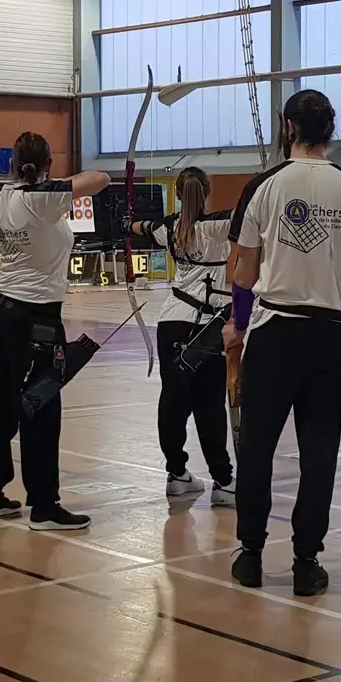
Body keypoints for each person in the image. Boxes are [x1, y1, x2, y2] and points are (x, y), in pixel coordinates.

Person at [225, 89, 341, 597]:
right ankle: (305, 563)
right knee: (320, 451)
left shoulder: (263, 187)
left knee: (257, 446)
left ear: (289, 128)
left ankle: (250, 554)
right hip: (330, 337)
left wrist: (243, 313)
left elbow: (243, 273)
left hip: (274, 335)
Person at [0, 132, 111, 532]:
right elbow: (101, 178)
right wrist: (48, 185)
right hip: (37, 319)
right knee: (41, 405)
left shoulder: (2, 198)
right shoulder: (43, 199)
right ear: (47, 166)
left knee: (2, 402)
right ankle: (43, 506)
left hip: (4, 312)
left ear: (12, 165)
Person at [130, 167, 236, 506]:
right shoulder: (219, 225)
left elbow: (141, 228)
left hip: (172, 322)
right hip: (206, 329)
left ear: (177, 194)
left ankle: (177, 474)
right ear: (206, 192)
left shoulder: (169, 228)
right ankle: (223, 481)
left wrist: (127, 222)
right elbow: (250, 215)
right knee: (209, 405)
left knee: (173, 400)